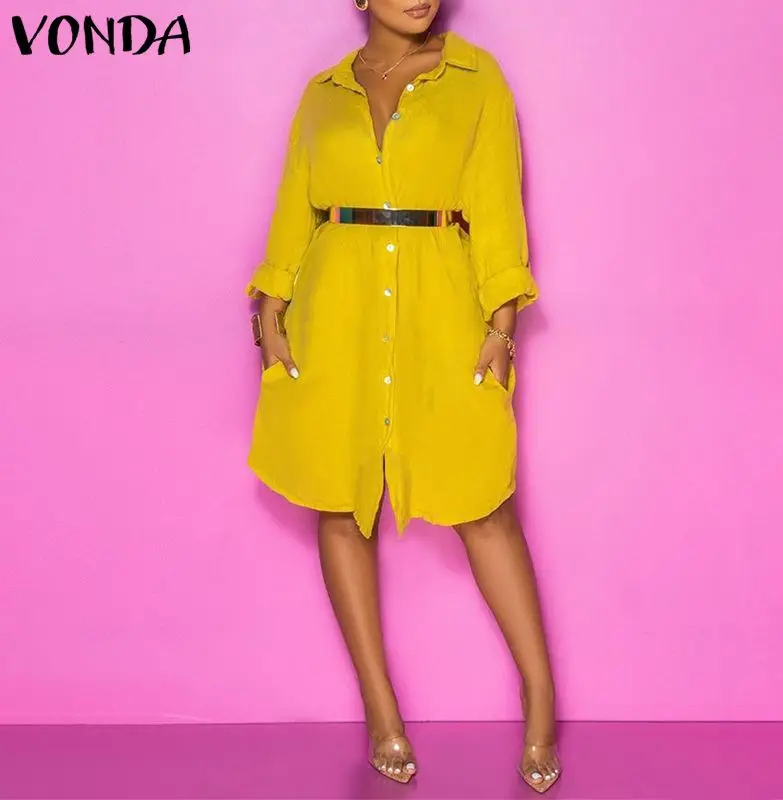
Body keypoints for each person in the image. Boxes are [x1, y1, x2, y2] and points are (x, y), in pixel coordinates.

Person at [245, 0, 560, 792]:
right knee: (339, 499)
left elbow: (498, 207)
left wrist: (501, 324)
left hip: (440, 304)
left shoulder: (476, 79)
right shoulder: (323, 93)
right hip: (336, 309)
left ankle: (541, 697)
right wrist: (271, 309)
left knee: (484, 501)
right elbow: (296, 207)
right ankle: (380, 710)